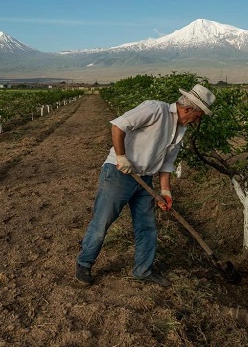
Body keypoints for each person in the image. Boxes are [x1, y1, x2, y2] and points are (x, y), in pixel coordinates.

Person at [75, 84, 216, 288]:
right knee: (102, 221)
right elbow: (118, 125)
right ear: (188, 109)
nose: (198, 120)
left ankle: (143, 270)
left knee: (147, 226)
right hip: (119, 174)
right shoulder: (155, 109)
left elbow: (167, 163)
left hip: (145, 180)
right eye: (199, 115)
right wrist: (121, 157)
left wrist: (165, 190)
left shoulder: (181, 130)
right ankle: (84, 263)